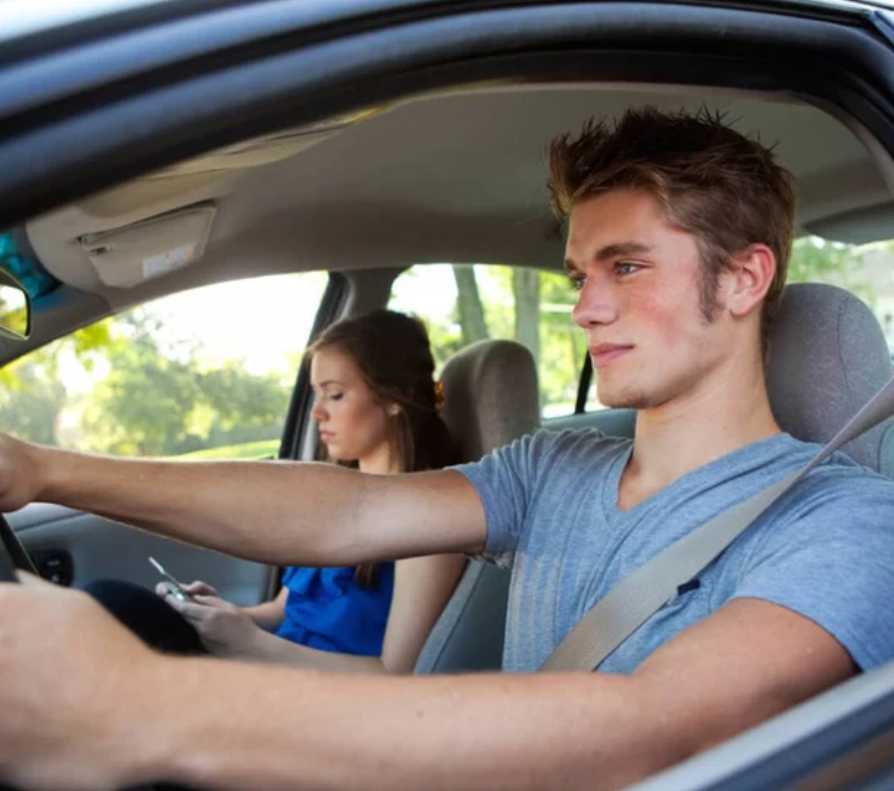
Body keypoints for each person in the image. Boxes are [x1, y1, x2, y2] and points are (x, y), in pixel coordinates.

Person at [1, 106, 894, 791]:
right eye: (581, 274)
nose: (584, 308)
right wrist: (46, 469)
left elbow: (661, 726)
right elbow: (352, 511)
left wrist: (137, 701)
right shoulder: (551, 466)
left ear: (742, 279)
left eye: (626, 266)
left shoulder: (850, 521)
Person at [87, 309, 466, 672]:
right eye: (316, 394)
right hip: (268, 669)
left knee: (109, 605)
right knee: (106, 607)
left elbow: (395, 677)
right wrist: (222, 616)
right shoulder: (330, 495)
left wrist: (249, 642)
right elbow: (283, 612)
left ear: (395, 396)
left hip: (317, 699)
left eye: (335, 394)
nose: (317, 412)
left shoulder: (430, 521)